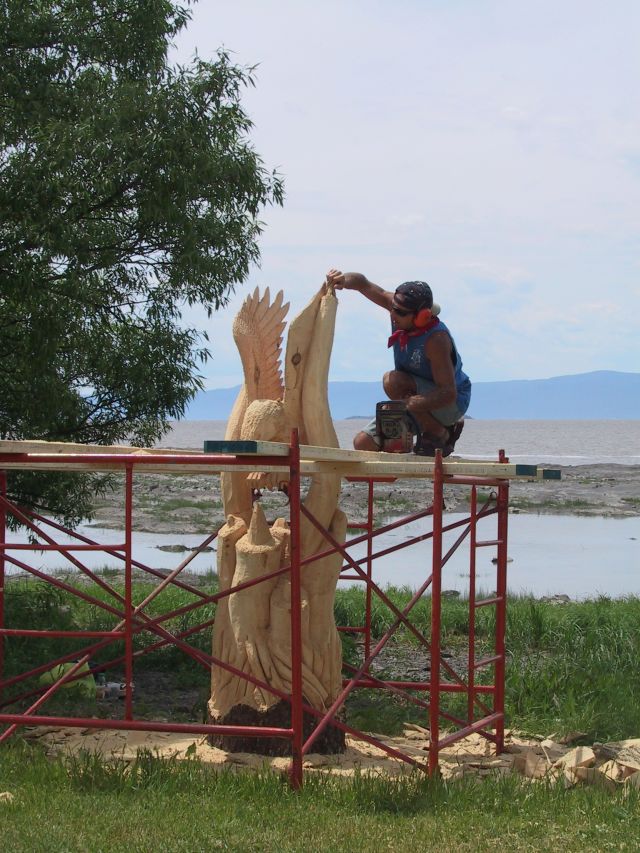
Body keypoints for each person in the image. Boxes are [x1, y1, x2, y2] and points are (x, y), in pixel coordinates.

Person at [327, 269, 471, 456]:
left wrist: (408, 404)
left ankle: (439, 433)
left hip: (450, 404)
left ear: (422, 316)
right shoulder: (397, 310)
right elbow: (364, 283)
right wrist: (343, 279)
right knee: (363, 444)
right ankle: (419, 434)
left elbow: (447, 393)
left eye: (400, 312)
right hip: (412, 398)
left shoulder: (436, 340)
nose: (393, 315)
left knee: (392, 381)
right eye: (393, 308)